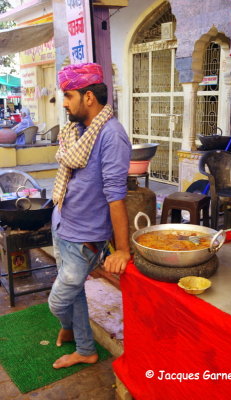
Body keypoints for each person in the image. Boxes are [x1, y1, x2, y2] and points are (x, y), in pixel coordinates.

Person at [48, 63, 131, 369]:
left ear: (89, 98)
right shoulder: (78, 130)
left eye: (69, 95)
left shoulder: (111, 136)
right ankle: (85, 348)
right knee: (74, 292)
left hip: (85, 237)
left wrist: (122, 249)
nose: (65, 102)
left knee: (58, 300)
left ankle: (70, 324)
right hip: (62, 223)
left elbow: (116, 196)